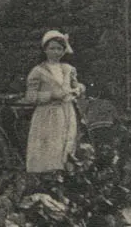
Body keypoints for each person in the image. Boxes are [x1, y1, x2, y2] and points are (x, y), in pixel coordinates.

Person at [24, 30, 85, 174]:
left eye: (59, 49)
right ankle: (46, 177)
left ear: (64, 51)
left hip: (66, 113)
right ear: (45, 49)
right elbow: (30, 96)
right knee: (49, 148)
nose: (56, 52)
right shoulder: (38, 71)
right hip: (47, 115)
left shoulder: (68, 69)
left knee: (66, 144)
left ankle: (64, 176)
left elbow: (77, 86)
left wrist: (78, 90)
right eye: (52, 48)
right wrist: (51, 95)